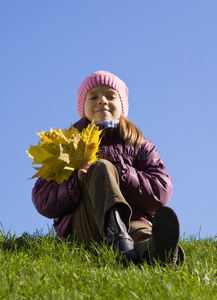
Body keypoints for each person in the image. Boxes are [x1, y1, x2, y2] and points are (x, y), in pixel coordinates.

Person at [32, 70, 185, 264]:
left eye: (110, 96)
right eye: (93, 97)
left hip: (133, 221)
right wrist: (76, 184)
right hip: (85, 225)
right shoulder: (68, 145)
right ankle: (116, 236)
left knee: (143, 233)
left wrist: (123, 172)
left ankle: (159, 253)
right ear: (83, 106)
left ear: (122, 105)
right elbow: (42, 198)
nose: (102, 101)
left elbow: (161, 191)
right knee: (101, 167)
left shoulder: (139, 145)